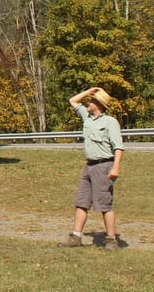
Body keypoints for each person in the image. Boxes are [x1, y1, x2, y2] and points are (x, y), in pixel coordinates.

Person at [58, 86, 124, 250]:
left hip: (104, 166)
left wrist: (115, 168)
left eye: (92, 100)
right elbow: (73, 100)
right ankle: (76, 237)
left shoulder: (110, 122)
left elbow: (119, 147)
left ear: (99, 104)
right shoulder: (87, 117)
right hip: (89, 166)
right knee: (81, 202)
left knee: (104, 205)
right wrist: (89, 91)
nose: (89, 102)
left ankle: (111, 240)